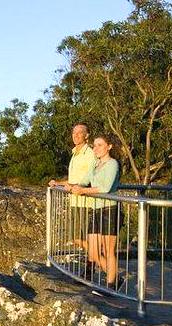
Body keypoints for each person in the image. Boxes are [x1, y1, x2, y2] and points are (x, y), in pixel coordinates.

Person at [68, 134, 122, 289]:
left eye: (100, 145)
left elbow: (105, 188)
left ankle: (110, 286)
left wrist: (83, 190)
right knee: (93, 251)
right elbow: (84, 181)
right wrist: (71, 186)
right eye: (95, 145)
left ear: (109, 146)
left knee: (108, 250)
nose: (96, 148)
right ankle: (116, 279)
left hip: (109, 209)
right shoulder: (96, 164)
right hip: (96, 209)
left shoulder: (112, 164)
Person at [49, 124, 97, 252]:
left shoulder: (90, 154)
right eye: (73, 133)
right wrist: (58, 183)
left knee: (87, 238)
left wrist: (75, 186)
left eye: (79, 133)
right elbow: (73, 180)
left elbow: (90, 178)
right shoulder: (74, 153)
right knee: (76, 238)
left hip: (87, 202)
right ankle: (95, 262)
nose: (75, 136)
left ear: (86, 136)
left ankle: (99, 264)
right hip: (75, 201)